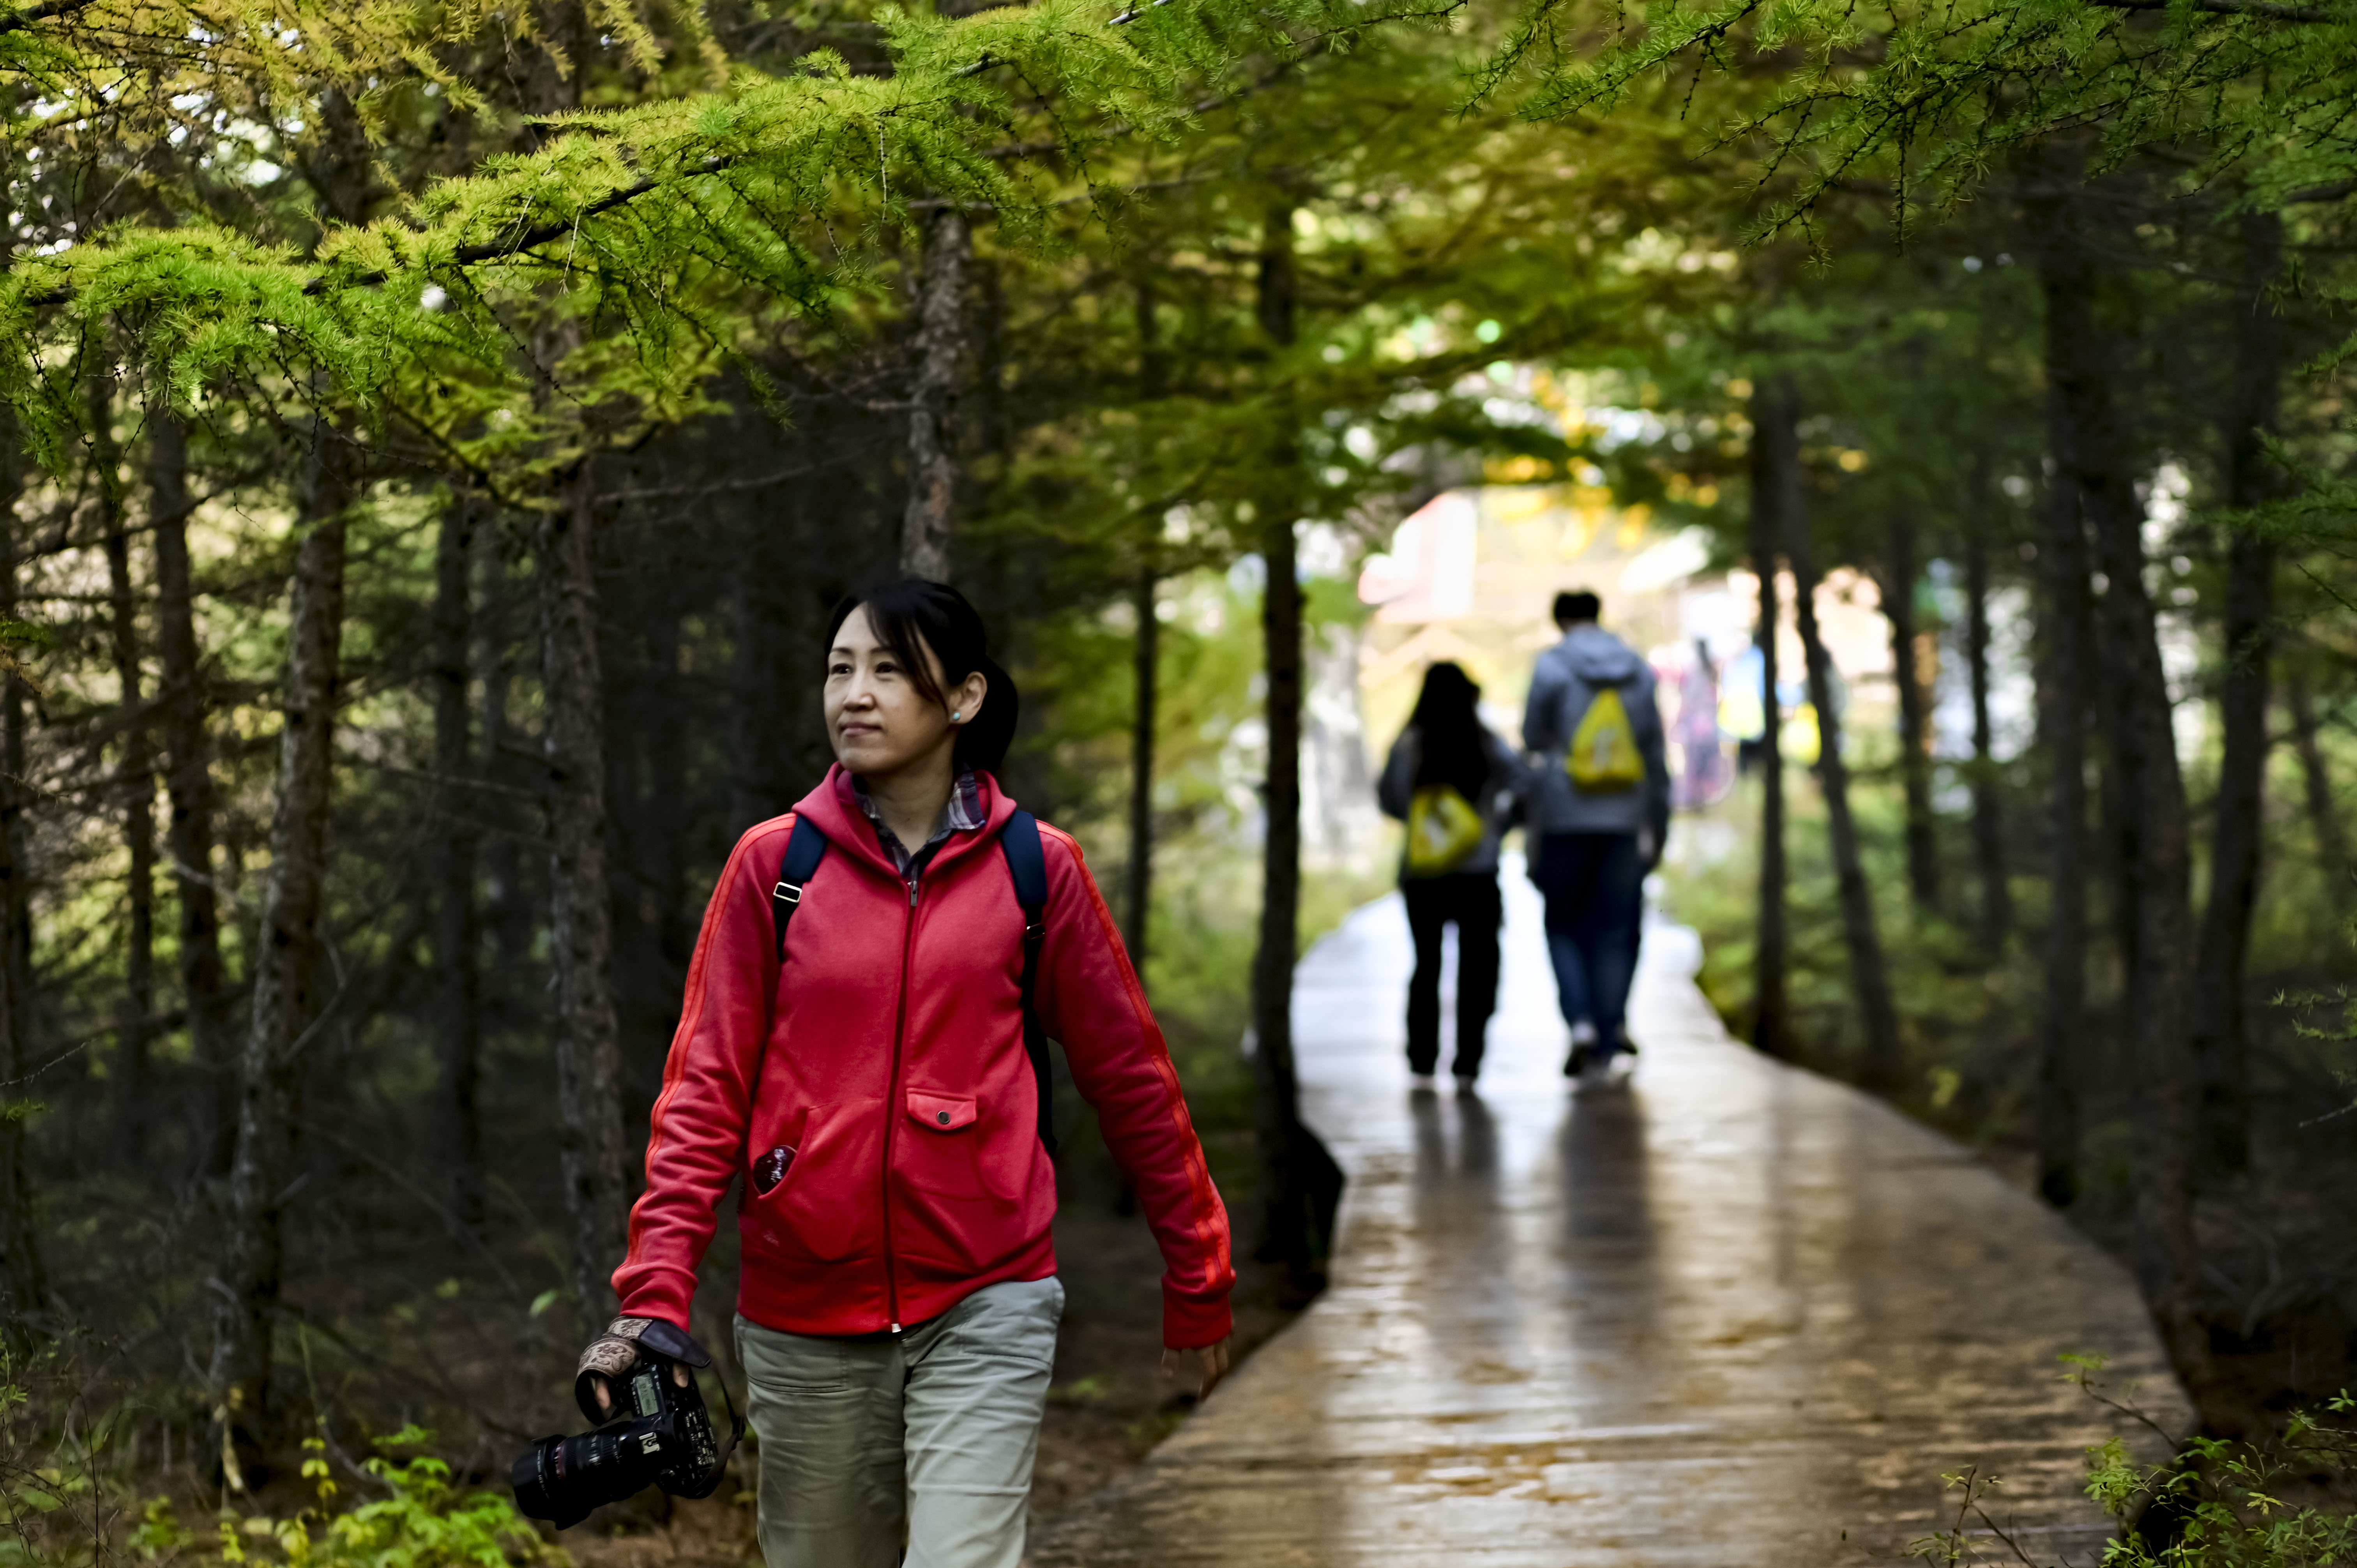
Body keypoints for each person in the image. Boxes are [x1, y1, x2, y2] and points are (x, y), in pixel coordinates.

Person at [590, 579, 1235, 1568]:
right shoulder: (775, 865)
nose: (856, 691)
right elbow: (704, 1089)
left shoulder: (1037, 869)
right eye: (841, 667)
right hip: (804, 1307)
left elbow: (1133, 1078)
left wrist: (1199, 1274)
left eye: (889, 668)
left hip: (989, 1293)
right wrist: (655, 1292)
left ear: (964, 697)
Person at [1521, 590, 1670, 1078]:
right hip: (1625, 816)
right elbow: (1654, 751)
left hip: (1565, 815)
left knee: (1564, 922)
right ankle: (1611, 1027)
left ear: (1560, 619)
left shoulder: (1551, 668)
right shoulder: (1638, 668)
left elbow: (1533, 739)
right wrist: (1659, 824)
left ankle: (1581, 1023)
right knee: (1616, 928)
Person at [1376, 663, 1524, 1091]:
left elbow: (1390, 799)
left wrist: (1425, 819)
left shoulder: (1409, 744)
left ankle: (1422, 1061)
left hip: (1423, 871)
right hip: (1477, 870)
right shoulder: (1486, 741)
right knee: (1479, 965)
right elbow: (1522, 782)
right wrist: (1494, 824)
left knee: (1426, 964)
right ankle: (1468, 1062)